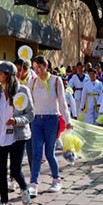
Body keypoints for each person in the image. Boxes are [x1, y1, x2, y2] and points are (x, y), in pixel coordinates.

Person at [0, 62, 34, 205]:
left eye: (0, 73)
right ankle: (4, 203)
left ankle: (24, 188)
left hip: (18, 136)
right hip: (0, 135)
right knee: (1, 171)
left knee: (15, 170)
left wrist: (16, 121)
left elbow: (31, 113)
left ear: (8, 75)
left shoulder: (22, 91)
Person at [28, 56, 72, 194]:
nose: (37, 70)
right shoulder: (33, 81)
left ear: (46, 65)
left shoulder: (56, 80)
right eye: (34, 68)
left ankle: (56, 179)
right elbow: (29, 102)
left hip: (52, 119)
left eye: (39, 67)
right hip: (36, 120)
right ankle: (33, 183)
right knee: (36, 153)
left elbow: (62, 102)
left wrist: (68, 120)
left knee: (49, 152)